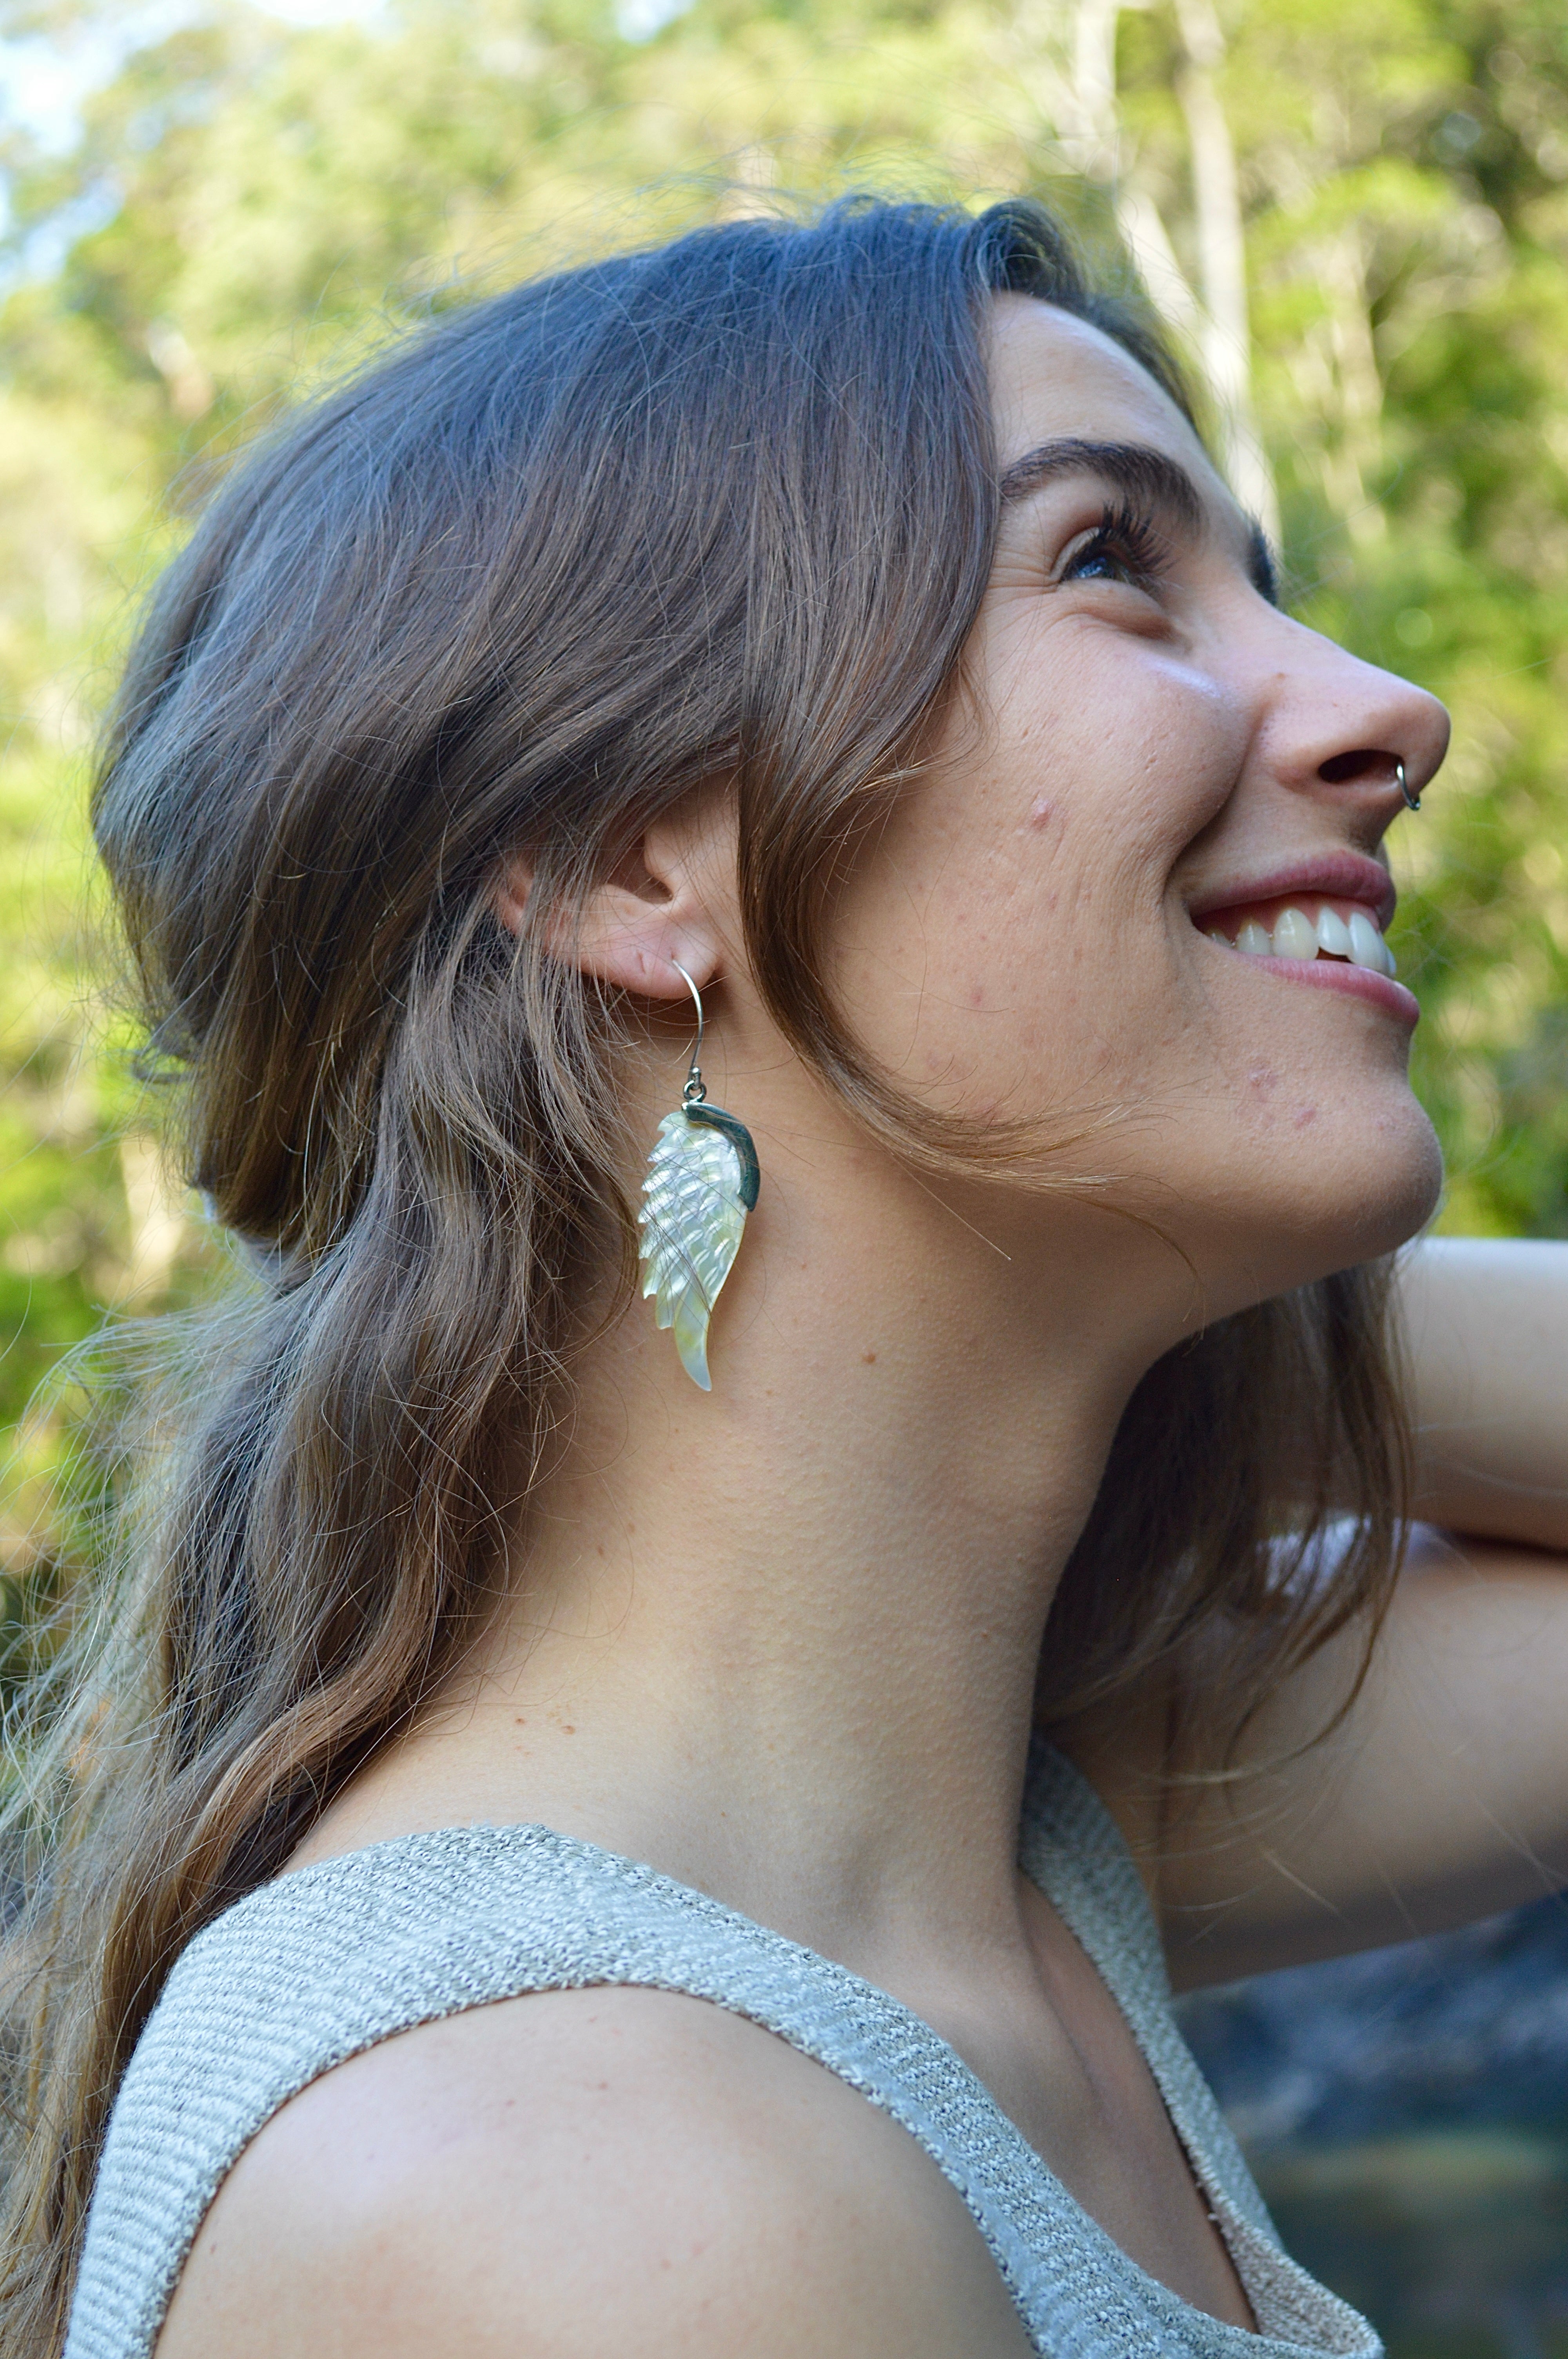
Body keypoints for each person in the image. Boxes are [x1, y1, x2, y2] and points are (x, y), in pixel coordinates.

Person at [5, 196, 1566, 2359]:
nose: (1391, 711)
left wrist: (1064, 1316)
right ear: (629, 861)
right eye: (1108, 565)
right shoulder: (590, 2192)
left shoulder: (979, 1844)